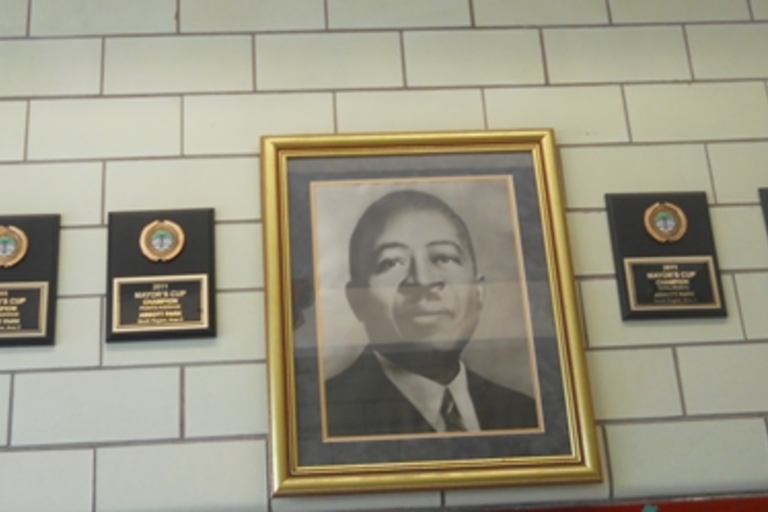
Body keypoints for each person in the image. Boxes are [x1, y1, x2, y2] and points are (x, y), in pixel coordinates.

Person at [324, 190, 538, 437]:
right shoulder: (325, 418)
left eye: (443, 257)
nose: (422, 280)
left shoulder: (526, 413)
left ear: (478, 292)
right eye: (391, 262)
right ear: (357, 300)